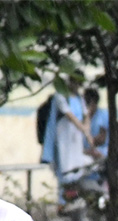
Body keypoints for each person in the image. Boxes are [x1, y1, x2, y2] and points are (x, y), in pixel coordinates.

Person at [40, 73, 93, 208]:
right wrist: (84, 129)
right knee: (65, 170)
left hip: (76, 140)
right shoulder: (61, 96)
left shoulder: (80, 98)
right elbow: (71, 117)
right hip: (64, 139)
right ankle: (63, 203)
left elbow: (85, 115)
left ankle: (74, 200)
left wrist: (87, 131)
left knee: (78, 169)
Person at [84, 87, 109, 162]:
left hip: (101, 150)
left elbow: (102, 139)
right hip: (86, 150)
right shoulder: (82, 116)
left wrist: (90, 142)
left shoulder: (103, 114)